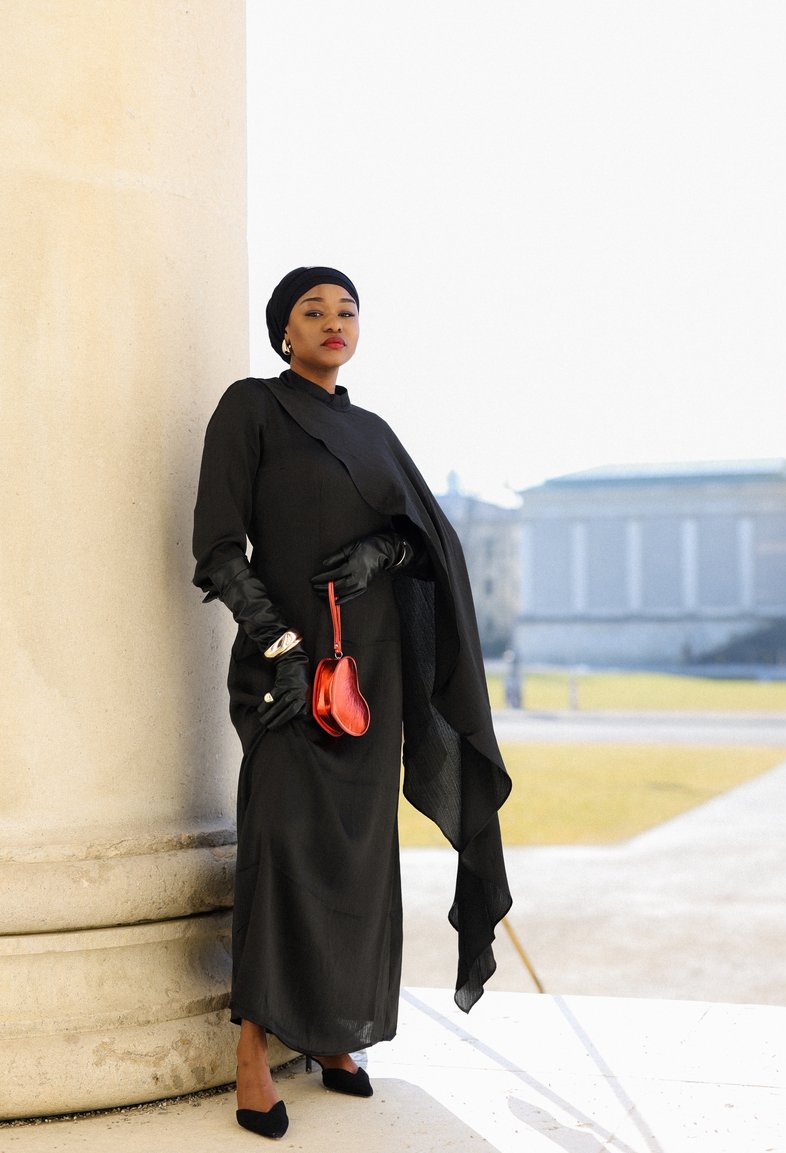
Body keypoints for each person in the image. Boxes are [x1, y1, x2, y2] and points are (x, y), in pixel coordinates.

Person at [192, 266, 512, 1140]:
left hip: (369, 679)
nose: (333, 322)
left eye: (347, 310)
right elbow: (219, 551)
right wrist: (282, 646)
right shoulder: (251, 408)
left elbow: (426, 545)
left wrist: (380, 552)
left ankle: (338, 1038)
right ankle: (252, 1053)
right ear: (282, 330)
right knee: (281, 848)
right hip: (284, 673)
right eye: (312, 310)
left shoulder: (373, 432)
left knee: (360, 866)